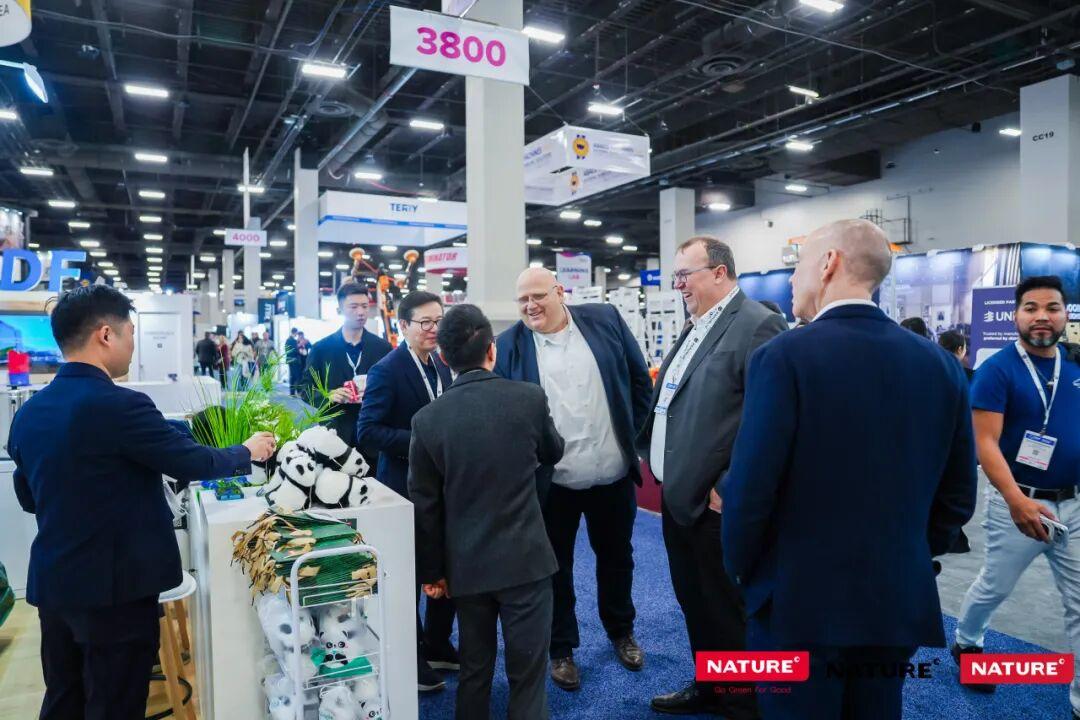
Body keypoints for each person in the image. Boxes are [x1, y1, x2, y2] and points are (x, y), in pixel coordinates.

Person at [720, 219, 977, 720]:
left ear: (828, 263)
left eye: (798, 266)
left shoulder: (782, 357)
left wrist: (746, 572)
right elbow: (958, 494)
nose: (792, 281)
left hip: (798, 603)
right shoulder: (940, 364)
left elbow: (751, 490)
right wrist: (906, 553)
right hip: (894, 597)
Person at [8, 285, 276, 720]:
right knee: (115, 703)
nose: (133, 345)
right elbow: (192, 460)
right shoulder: (121, 406)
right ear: (106, 334)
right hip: (116, 592)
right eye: (131, 333)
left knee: (63, 697)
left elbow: (27, 496)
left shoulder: (29, 412)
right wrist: (246, 451)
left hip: (56, 585)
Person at [636, 236, 787, 718]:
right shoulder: (697, 324)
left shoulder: (758, 325)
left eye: (685, 275)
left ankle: (743, 705)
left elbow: (772, 418)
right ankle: (711, 685)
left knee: (727, 609)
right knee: (696, 602)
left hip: (717, 504)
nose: (678, 285)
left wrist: (729, 485)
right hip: (679, 497)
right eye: (676, 276)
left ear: (719, 272)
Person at [494, 267, 651, 690]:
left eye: (538, 296)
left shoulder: (605, 320)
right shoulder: (508, 346)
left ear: (560, 292)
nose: (530, 306)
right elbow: (505, 416)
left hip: (612, 473)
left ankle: (622, 631)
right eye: (522, 300)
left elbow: (639, 381)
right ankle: (561, 649)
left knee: (617, 558)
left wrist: (632, 437)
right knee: (555, 569)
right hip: (553, 483)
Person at [410, 304, 565, 720]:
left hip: (466, 566)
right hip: (525, 559)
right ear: (491, 350)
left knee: (475, 670)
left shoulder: (427, 420)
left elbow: (425, 506)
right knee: (528, 676)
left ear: (444, 357)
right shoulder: (529, 399)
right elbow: (553, 451)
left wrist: (432, 573)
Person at [953, 275, 1080, 715]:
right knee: (995, 585)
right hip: (1018, 502)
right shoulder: (998, 370)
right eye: (1031, 308)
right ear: (1015, 315)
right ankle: (967, 642)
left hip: (1074, 503)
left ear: (1065, 315)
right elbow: (985, 442)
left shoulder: (1075, 365)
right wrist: (1016, 501)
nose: (1042, 316)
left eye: (1052, 308)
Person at [357, 290, 457, 692]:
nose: (434, 329)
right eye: (426, 322)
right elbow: (368, 431)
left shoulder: (442, 364)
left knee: (444, 564)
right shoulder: (387, 369)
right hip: (403, 488)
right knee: (408, 574)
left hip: (442, 487)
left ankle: (437, 643)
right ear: (403, 326)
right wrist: (422, 442)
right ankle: (411, 657)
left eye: (439, 321)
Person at [300, 281, 391, 446]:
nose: (361, 312)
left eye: (365, 306)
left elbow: (393, 387)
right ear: (339, 310)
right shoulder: (321, 349)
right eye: (354, 307)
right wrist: (328, 396)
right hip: (334, 433)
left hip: (373, 432)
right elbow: (305, 388)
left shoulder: (382, 348)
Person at [285, 327, 302, 394]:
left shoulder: (288, 340)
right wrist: (299, 347)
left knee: (293, 376)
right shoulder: (292, 341)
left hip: (290, 360)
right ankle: (296, 391)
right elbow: (295, 350)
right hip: (294, 360)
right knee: (296, 376)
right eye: (296, 333)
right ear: (295, 332)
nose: (297, 335)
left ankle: (292, 392)